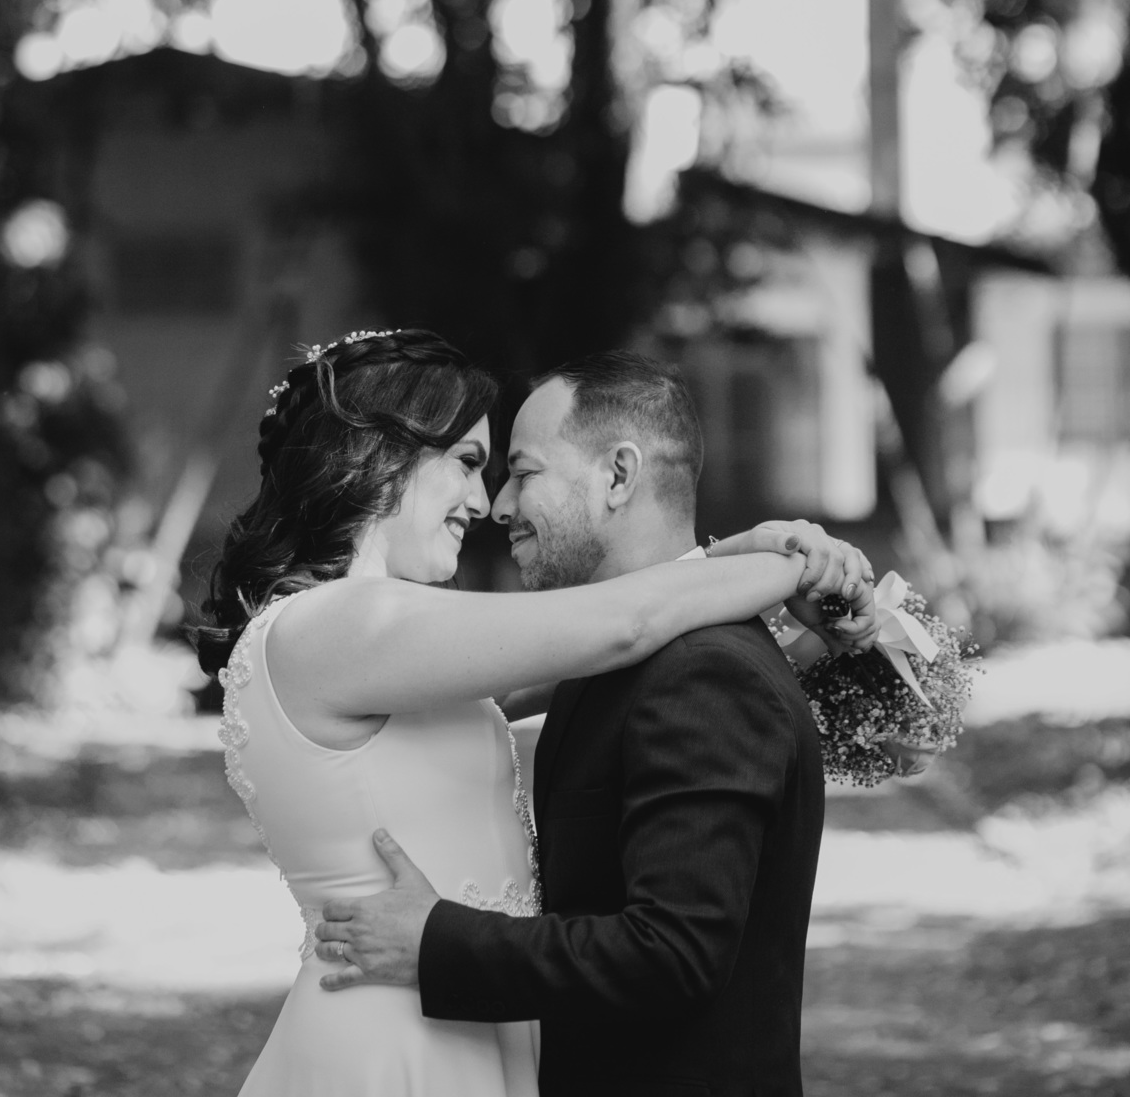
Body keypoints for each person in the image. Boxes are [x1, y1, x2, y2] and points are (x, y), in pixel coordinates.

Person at [197, 329, 874, 1097]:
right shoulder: (344, 625)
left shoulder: (389, 650)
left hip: (462, 1024)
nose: (484, 503)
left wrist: (741, 563)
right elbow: (624, 625)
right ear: (382, 456)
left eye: (506, 471)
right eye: (468, 463)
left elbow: (630, 657)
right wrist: (790, 565)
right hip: (389, 1045)